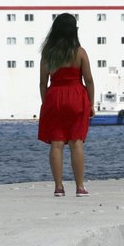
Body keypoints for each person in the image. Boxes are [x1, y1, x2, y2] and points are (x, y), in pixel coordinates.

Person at [37, 13, 95, 197]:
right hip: (76, 97)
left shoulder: (48, 53)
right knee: (76, 143)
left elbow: (42, 82)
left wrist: (46, 102)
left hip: (54, 97)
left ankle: (59, 187)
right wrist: (91, 104)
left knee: (56, 144)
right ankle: (79, 187)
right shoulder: (80, 52)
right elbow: (89, 80)